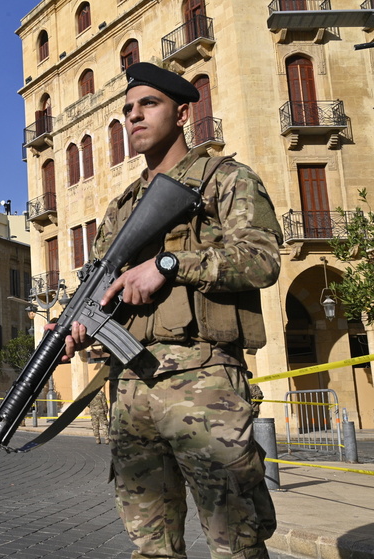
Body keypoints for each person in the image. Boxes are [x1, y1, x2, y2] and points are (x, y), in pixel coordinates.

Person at [60, 62, 280, 558]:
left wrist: (169, 264)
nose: (133, 117)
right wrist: (79, 327)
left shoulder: (224, 179)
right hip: (130, 387)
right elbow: (105, 295)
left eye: (148, 105)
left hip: (204, 381)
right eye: (128, 110)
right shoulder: (120, 209)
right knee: (151, 546)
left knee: (235, 542)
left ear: (182, 112)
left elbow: (262, 260)